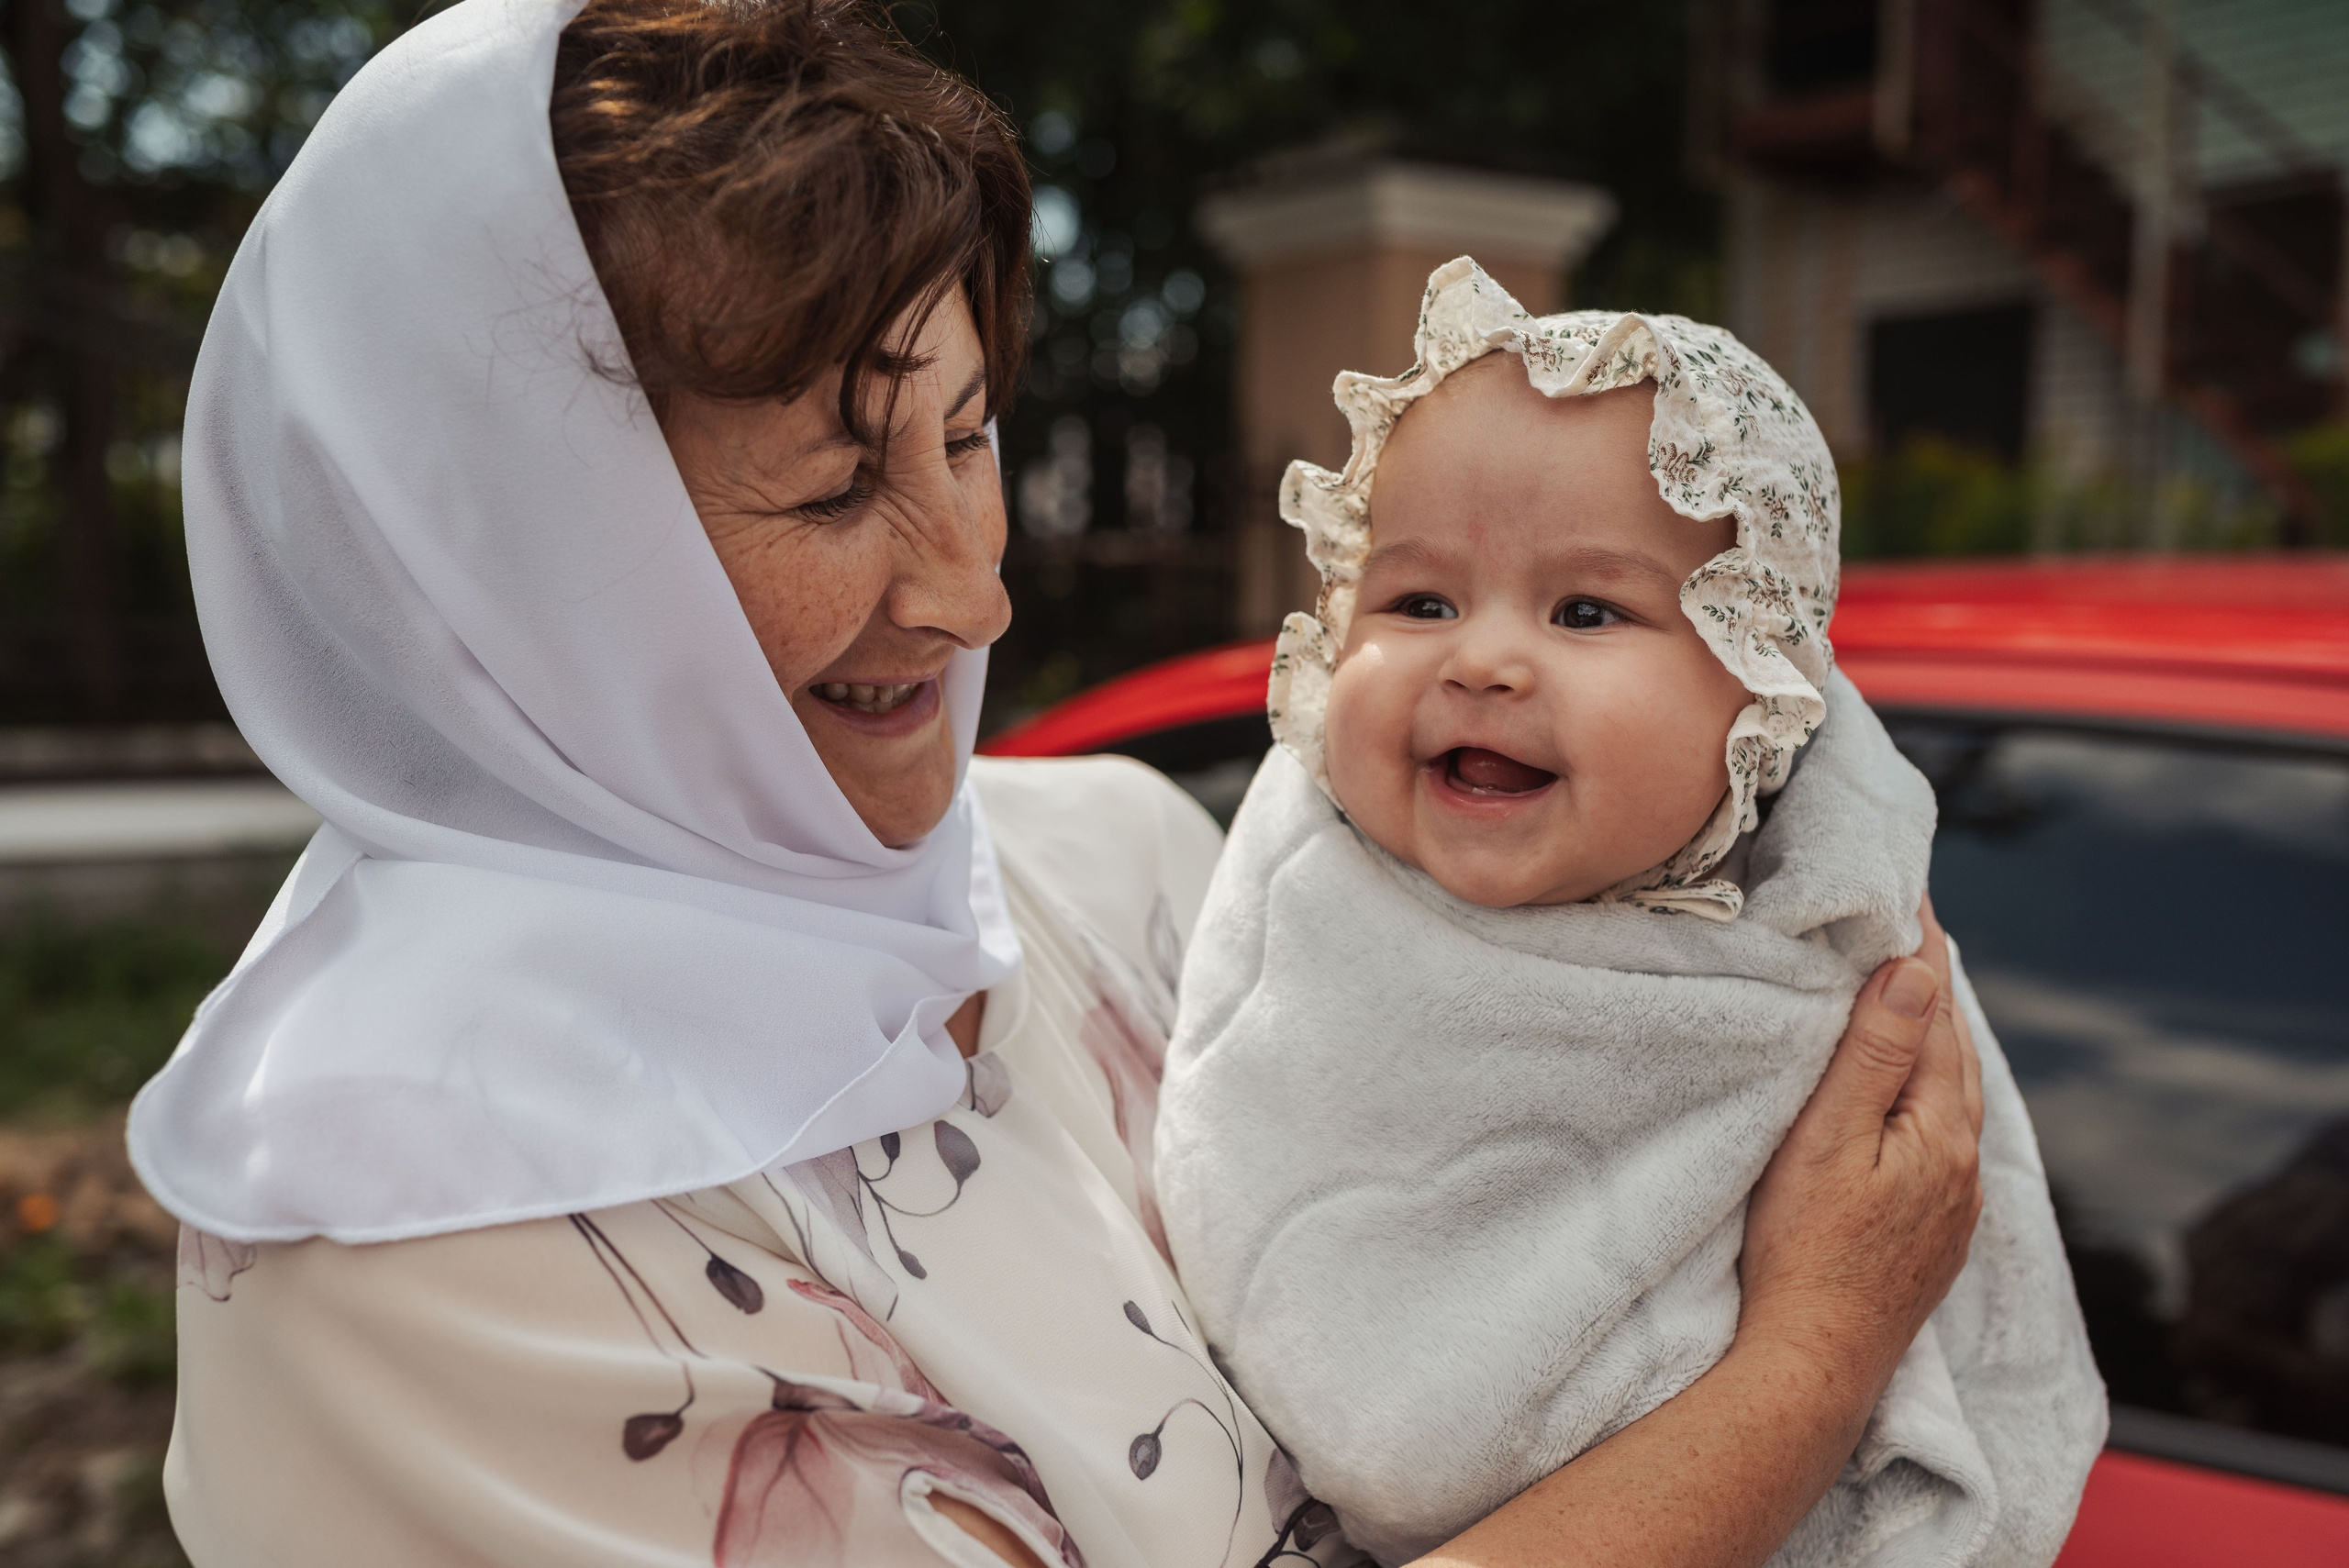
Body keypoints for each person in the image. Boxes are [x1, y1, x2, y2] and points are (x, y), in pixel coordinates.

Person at [130, 4, 1990, 1565]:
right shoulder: (406, 1260)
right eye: (836, 488)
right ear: (502, 556)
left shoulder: (1102, 863)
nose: (971, 590)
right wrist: (1806, 1364)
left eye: (965, 436)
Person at [1153, 260, 2106, 1568]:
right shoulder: (1300, 880)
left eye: (1586, 609)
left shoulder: (1834, 978)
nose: (1480, 657)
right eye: (1418, 599)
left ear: (1759, 698)